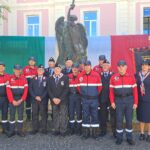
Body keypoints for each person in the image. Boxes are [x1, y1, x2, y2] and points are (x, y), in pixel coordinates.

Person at [109, 60, 138, 145]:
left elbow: (135, 91)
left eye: (123, 66)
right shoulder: (113, 77)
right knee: (119, 120)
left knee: (129, 120)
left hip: (129, 101)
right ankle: (119, 138)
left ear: (126, 67)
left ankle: (129, 138)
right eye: (119, 66)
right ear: (117, 68)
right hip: (118, 101)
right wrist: (112, 102)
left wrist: (136, 102)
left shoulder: (131, 77)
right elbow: (111, 92)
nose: (121, 68)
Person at [78, 60, 102, 139]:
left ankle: (95, 134)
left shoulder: (96, 75)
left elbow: (99, 88)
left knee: (95, 116)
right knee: (85, 116)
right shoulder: (80, 75)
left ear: (90, 66)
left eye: (88, 65)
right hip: (85, 100)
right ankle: (86, 133)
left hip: (94, 100)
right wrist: (84, 94)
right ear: (84, 67)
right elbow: (78, 87)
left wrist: (94, 94)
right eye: (85, 66)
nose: (87, 67)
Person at [47, 63, 69, 136]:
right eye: (55, 69)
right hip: (54, 101)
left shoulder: (65, 77)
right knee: (55, 115)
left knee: (63, 115)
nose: (57, 70)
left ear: (61, 70)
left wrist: (60, 99)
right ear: (54, 69)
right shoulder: (50, 78)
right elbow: (49, 89)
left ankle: (63, 130)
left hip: (63, 100)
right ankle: (56, 130)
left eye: (58, 69)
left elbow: (66, 89)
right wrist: (53, 98)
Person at [6, 64, 28, 137]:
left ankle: (19, 131)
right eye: (16, 69)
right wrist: (12, 101)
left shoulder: (24, 78)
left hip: (20, 99)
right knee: (11, 116)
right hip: (12, 99)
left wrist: (21, 100)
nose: (17, 71)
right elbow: (8, 90)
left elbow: (26, 90)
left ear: (20, 70)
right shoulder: (10, 78)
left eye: (18, 70)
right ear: (13, 70)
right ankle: (11, 131)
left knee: (20, 116)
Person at [99, 60, 116, 137]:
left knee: (113, 116)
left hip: (112, 99)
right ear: (102, 67)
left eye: (106, 65)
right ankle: (103, 131)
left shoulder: (114, 75)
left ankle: (114, 132)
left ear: (109, 66)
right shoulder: (99, 75)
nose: (105, 67)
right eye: (104, 65)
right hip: (102, 99)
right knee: (102, 116)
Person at [29, 64, 48, 135]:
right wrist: (35, 96)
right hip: (34, 100)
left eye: (42, 70)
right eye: (39, 70)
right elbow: (30, 89)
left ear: (43, 71)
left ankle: (44, 129)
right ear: (37, 71)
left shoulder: (46, 79)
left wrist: (41, 97)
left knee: (43, 114)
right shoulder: (33, 79)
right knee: (34, 114)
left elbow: (47, 90)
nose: (40, 71)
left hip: (43, 100)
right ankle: (35, 129)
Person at [135, 59, 150, 142]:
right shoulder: (137, 75)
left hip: (148, 100)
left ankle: (149, 134)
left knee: (149, 117)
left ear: (149, 67)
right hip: (140, 100)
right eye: (143, 65)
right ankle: (141, 133)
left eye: (146, 65)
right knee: (141, 117)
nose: (144, 66)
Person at [68, 63, 82, 135]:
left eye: (76, 68)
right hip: (71, 97)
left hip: (79, 97)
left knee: (79, 113)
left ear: (78, 69)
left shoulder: (81, 76)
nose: (75, 69)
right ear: (72, 69)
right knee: (71, 113)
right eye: (73, 68)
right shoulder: (68, 76)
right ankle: (72, 129)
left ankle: (79, 129)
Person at [23, 56, 37, 121]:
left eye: (33, 60)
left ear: (35, 62)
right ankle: (28, 117)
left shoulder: (37, 69)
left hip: (35, 90)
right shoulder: (25, 68)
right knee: (28, 104)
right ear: (28, 61)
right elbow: (23, 78)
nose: (31, 61)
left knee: (35, 104)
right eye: (30, 60)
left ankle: (34, 117)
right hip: (27, 90)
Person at [0, 62, 10, 134]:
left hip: (5, 98)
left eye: (2, 66)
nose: (1, 68)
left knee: (5, 113)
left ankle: (4, 129)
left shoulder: (8, 76)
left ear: (4, 68)